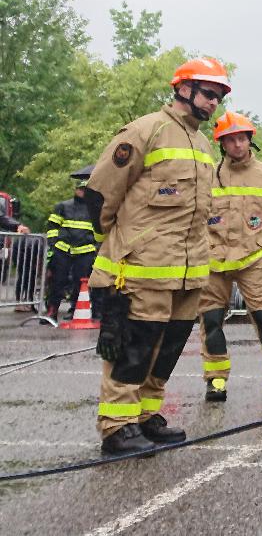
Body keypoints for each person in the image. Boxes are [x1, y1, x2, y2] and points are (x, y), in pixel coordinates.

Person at [83, 56, 227, 456]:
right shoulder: (147, 130)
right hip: (142, 268)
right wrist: (123, 242)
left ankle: (145, 416)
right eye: (209, 93)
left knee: (166, 349)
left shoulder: (202, 144)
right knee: (133, 346)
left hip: (188, 272)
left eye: (218, 96)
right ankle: (117, 428)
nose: (214, 102)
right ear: (183, 89)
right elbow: (100, 195)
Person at [198, 111, 262, 403]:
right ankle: (216, 380)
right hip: (214, 261)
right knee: (210, 322)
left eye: (241, 138)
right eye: (230, 140)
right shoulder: (207, 176)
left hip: (254, 260)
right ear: (222, 144)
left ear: (250, 139)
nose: (237, 145)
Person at [44, 178, 101, 320]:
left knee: (80, 282)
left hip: (85, 251)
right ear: (76, 190)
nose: (82, 192)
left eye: (85, 189)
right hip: (63, 250)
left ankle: (75, 309)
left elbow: (99, 231)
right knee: (58, 281)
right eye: (80, 189)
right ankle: (52, 311)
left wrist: (95, 247)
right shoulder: (62, 206)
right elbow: (52, 227)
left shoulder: (95, 209)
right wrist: (53, 244)